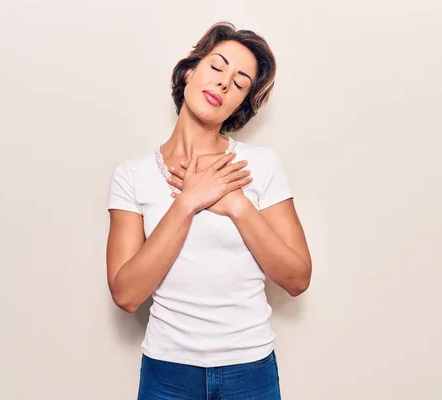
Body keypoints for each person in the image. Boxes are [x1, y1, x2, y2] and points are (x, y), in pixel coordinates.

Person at [106, 21, 312, 400]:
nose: (223, 83)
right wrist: (188, 202)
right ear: (189, 72)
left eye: (239, 83)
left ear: (240, 106)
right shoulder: (131, 176)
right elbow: (127, 294)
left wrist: (236, 205)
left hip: (250, 371)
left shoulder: (260, 166)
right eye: (217, 67)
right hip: (167, 374)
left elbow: (298, 279)